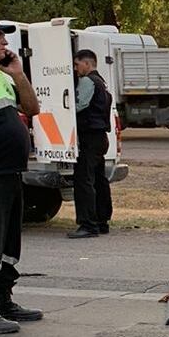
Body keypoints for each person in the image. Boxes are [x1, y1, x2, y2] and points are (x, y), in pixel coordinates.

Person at [0, 22, 43, 334]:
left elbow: (32, 108)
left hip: (11, 171)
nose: (3, 40)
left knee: (9, 243)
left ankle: (3, 299)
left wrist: (18, 75)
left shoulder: (4, 76)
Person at [68, 49, 113, 239]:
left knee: (83, 179)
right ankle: (101, 220)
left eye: (77, 65)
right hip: (100, 136)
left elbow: (77, 105)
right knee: (99, 179)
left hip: (89, 137)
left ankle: (88, 224)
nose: (76, 69)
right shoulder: (101, 82)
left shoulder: (87, 82)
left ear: (87, 64)